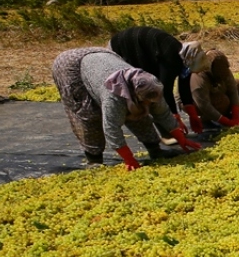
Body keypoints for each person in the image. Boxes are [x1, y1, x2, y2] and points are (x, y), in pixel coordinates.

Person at [51, 47, 202, 170]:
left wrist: (181, 139)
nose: (150, 104)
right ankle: (94, 159)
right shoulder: (114, 97)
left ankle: (155, 150)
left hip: (102, 56)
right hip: (71, 66)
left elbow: (162, 113)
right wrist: (129, 159)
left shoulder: (150, 85)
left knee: (141, 113)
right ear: (134, 94)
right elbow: (111, 128)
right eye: (146, 101)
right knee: (89, 114)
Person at [109, 26, 211, 132]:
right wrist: (175, 118)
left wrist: (193, 116)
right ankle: (155, 130)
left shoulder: (186, 60)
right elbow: (165, 90)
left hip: (148, 51)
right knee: (144, 89)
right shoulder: (172, 60)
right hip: (123, 47)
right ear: (191, 63)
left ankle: (166, 127)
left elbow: (184, 88)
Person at [189, 49, 239, 129]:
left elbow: (233, 90)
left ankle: (223, 114)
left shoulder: (223, 69)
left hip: (213, 91)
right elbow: (204, 105)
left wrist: (236, 117)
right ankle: (206, 119)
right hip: (193, 101)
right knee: (223, 100)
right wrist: (227, 122)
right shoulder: (199, 76)